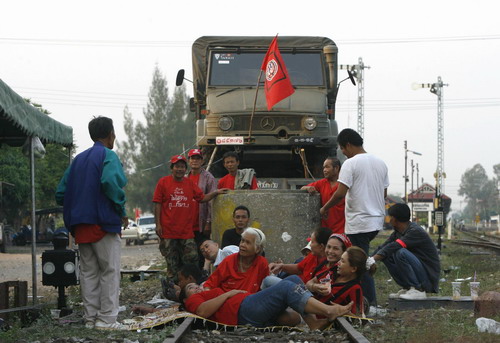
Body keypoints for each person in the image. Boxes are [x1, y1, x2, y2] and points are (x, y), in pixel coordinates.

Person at [55, 116, 127, 330]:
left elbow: (60, 193)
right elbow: (110, 184)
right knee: (109, 271)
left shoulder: (78, 159)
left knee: (89, 273)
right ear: (110, 134)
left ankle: (90, 318)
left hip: (80, 225)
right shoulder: (108, 155)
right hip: (103, 223)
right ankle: (106, 320)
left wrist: (79, 201)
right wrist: (121, 211)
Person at [320, 128, 389, 305]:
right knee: (358, 259)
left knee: (359, 264)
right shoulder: (380, 163)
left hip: (359, 222)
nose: (342, 152)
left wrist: (325, 208)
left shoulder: (350, 164)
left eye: (342, 149)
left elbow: (340, 193)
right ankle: (357, 298)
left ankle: (369, 303)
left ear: (348, 145)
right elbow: (384, 193)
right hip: (375, 221)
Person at [153, 154, 228, 283]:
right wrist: (158, 224)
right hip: (168, 231)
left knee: (192, 259)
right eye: (177, 166)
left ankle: (190, 287)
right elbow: (157, 203)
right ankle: (173, 288)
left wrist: (215, 192)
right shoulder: (163, 182)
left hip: (186, 232)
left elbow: (202, 198)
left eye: (182, 167)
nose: (180, 169)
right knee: (172, 263)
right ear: (172, 168)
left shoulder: (189, 183)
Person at [181, 275, 353, 328]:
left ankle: (311, 321)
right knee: (286, 286)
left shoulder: (207, 293)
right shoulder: (193, 300)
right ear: (185, 297)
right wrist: (228, 294)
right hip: (243, 310)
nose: (196, 288)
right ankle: (329, 311)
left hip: (248, 305)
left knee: (292, 279)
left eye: (196, 285)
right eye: (191, 288)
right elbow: (202, 312)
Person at [372, 203, 440, 299]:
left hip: (427, 278)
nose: (389, 220)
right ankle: (408, 288)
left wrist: (373, 259)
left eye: (390, 217)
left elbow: (396, 245)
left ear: (395, 219)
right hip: (420, 273)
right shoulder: (398, 233)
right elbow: (383, 248)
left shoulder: (415, 231)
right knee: (386, 255)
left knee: (400, 252)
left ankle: (418, 289)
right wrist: (368, 260)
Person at [203, 228, 268, 294]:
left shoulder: (262, 263)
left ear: (257, 249)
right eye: (242, 241)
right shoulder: (229, 261)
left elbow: (264, 290)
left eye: (247, 242)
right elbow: (209, 285)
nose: (242, 245)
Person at [187, 148, 217, 268]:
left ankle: (201, 281)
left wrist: (209, 222)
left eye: (197, 158)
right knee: (188, 254)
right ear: (189, 161)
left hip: (201, 224)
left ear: (202, 161)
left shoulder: (208, 178)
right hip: (187, 225)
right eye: (192, 158)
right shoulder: (185, 177)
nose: (195, 161)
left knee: (202, 254)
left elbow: (211, 202)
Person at [302, 157, 345, 234]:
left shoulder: (344, 184)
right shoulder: (322, 183)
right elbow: (302, 188)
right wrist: (308, 188)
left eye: (327, 167)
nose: (324, 170)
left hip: (342, 230)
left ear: (336, 168)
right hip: (325, 231)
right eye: (323, 167)